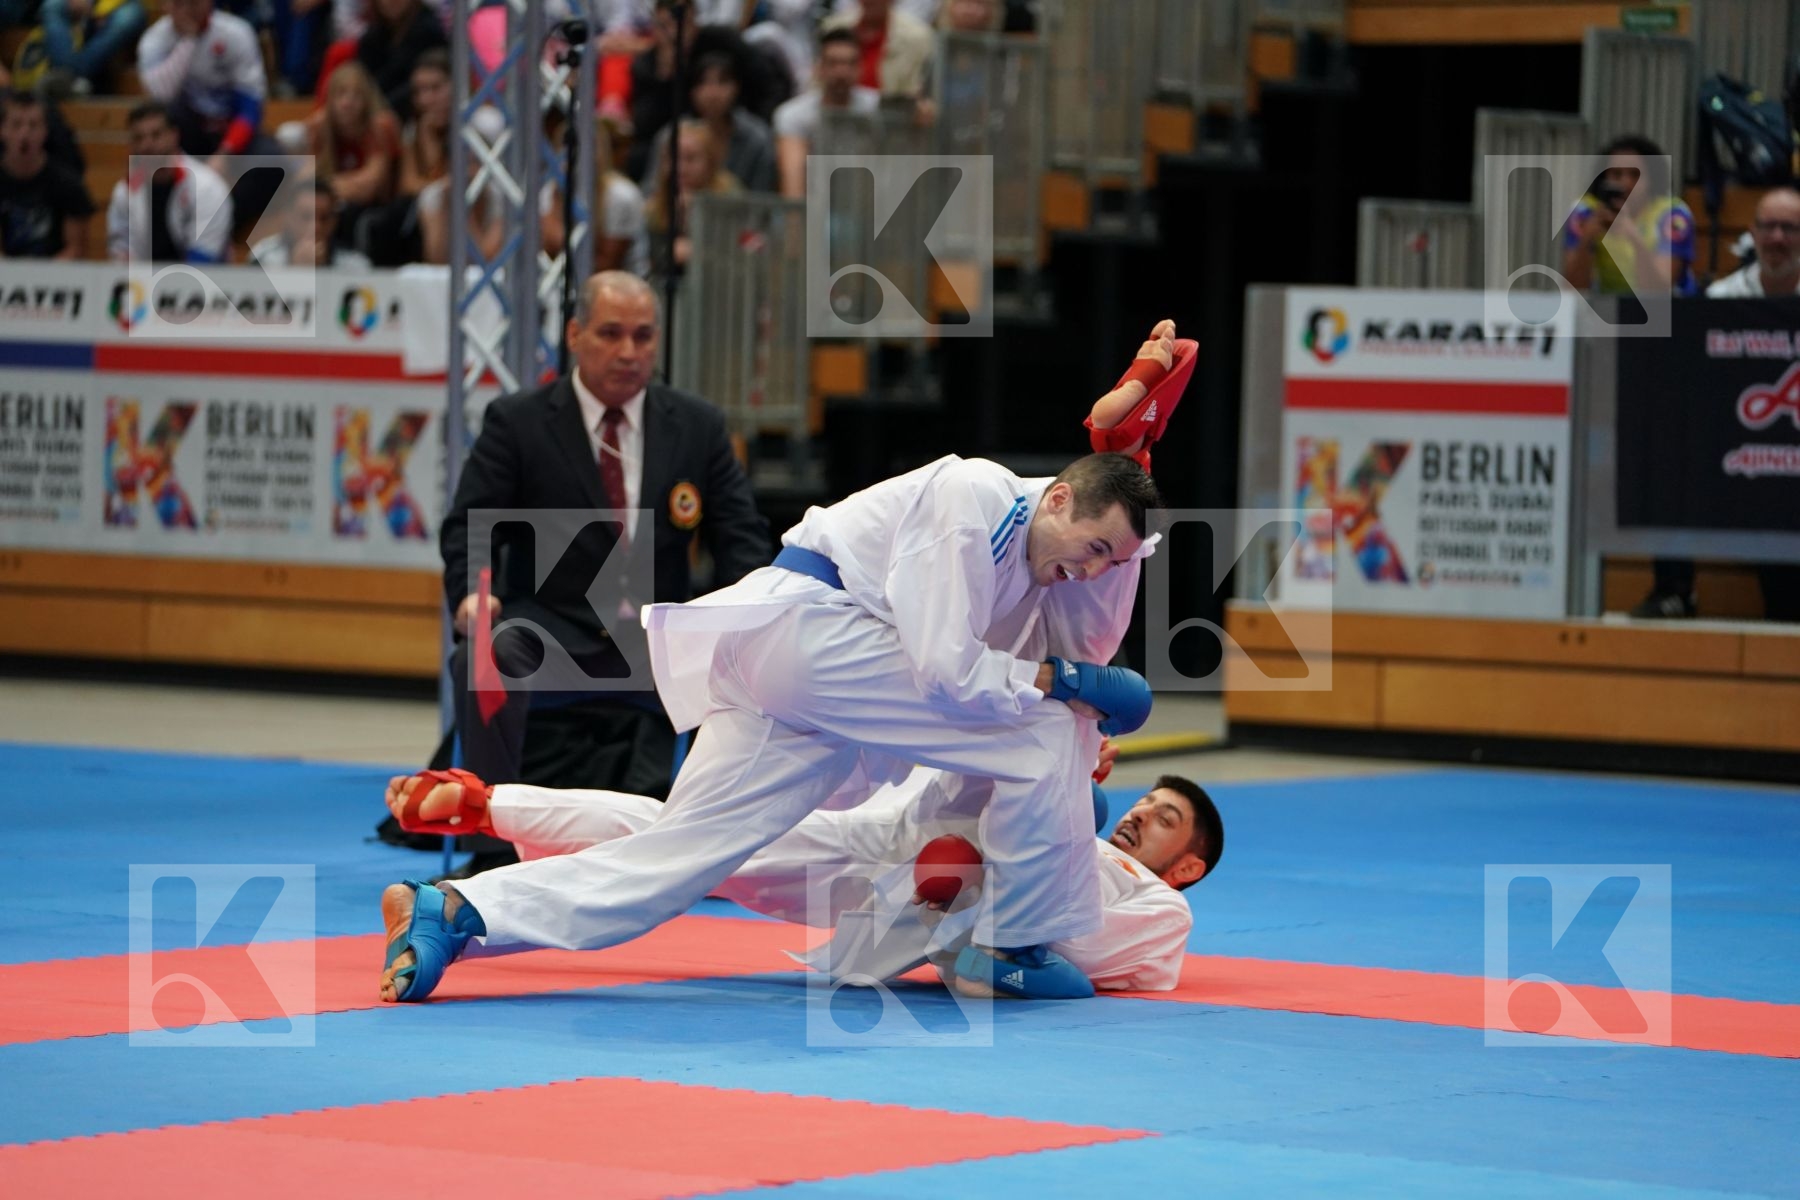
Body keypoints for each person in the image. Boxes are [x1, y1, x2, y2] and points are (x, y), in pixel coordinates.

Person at [382, 449, 1167, 1008]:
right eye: (1096, 550)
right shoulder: (977, 496)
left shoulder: (1034, 565)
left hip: (795, 679)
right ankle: (1014, 942)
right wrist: (1063, 685)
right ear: (1058, 498)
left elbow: (1072, 631)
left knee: (682, 856)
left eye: (1114, 564)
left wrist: (1123, 484)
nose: (1093, 571)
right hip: (812, 637)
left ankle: (461, 910)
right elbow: (944, 669)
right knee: (1045, 732)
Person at [433, 269, 769, 869]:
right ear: (574, 334)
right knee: (484, 657)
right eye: (611, 334)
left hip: (657, 636)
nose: (628, 352)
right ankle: (489, 845)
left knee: (740, 658)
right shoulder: (520, 421)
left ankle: (708, 848)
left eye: (643, 337)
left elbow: (740, 536)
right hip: (550, 630)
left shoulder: (696, 425)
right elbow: (469, 525)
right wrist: (471, 595)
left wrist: (751, 611)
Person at [382, 759, 1221, 994]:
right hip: (908, 839)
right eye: (1147, 800)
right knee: (700, 837)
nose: (1142, 814)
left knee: (695, 846)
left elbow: (1070, 944)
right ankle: (494, 809)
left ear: (1188, 866)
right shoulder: (1085, 814)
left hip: (942, 901)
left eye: (1167, 818)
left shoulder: (1159, 908)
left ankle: (480, 852)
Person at [1561, 134, 1697, 300]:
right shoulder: (1585, 213)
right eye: (1616, 175)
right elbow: (1573, 290)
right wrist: (1587, 240)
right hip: (1607, 308)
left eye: (1635, 175)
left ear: (1652, 179)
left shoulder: (1673, 215)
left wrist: (1634, 238)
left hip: (1672, 312)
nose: (1625, 183)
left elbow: (1658, 290)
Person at [105, 100, 232, 265]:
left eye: (156, 135)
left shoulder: (206, 188)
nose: (146, 146)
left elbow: (203, 261)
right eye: (138, 138)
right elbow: (119, 254)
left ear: (174, 135)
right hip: (141, 285)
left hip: (203, 285)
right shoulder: (125, 190)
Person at [773, 27, 879, 199]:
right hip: (814, 203)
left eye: (849, 63)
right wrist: (796, 223)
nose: (841, 72)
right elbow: (793, 182)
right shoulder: (792, 115)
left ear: (860, 67)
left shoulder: (878, 108)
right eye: (833, 63)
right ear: (819, 67)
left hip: (865, 206)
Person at [0, 89, 92, 260]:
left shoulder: (68, 184)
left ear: (45, 131)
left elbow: (76, 249)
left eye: (33, 125)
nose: (24, 134)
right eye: (16, 125)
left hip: (56, 277)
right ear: (2, 130)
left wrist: (41, 277)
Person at [251, 176, 370, 267]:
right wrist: (295, 268)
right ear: (288, 218)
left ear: (334, 221)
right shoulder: (263, 259)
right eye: (306, 217)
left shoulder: (354, 265)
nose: (316, 227)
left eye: (324, 218)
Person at [1706, 187, 1800, 299]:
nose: (1777, 237)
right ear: (1753, 233)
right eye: (1768, 226)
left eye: (1788, 227)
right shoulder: (1722, 296)